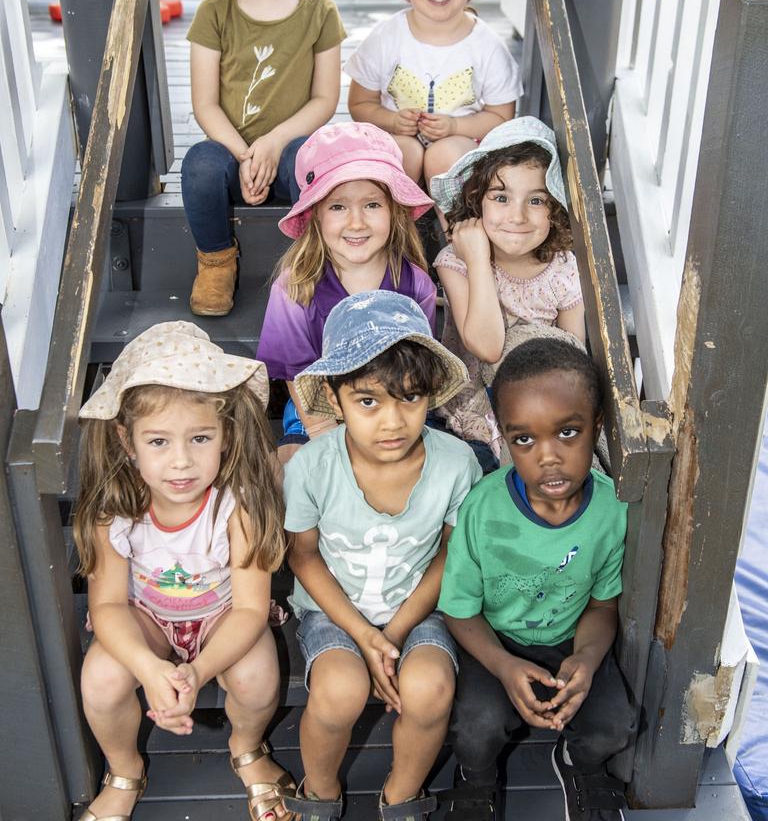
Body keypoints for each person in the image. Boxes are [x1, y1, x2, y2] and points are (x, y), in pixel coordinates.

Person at [74, 321, 293, 821]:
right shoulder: (116, 506)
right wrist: (150, 668)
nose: (181, 463)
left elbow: (251, 608)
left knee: (258, 675)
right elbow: (107, 605)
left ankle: (248, 749)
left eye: (199, 438)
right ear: (126, 441)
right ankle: (124, 770)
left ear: (225, 434)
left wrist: (195, 672)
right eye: (158, 442)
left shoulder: (237, 506)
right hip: (145, 618)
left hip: (224, 616)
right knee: (103, 679)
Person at [281, 291, 482, 821]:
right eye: (369, 401)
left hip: (419, 609)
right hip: (333, 611)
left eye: (410, 398)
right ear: (335, 397)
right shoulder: (311, 467)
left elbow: (449, 556)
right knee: (340, 690)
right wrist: (365, 636)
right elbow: (302, 557)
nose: (392, 421)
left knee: (430, 687)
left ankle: (401, 794)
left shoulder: (457, 464)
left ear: (432, 395)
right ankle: (320, 792)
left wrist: (390, 636)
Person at [438, 337, 635, 821]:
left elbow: (602, 606)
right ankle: (477, 778)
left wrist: (587, 659)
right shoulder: (483, 509)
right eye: (524, 439)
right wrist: (504, 667)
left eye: (568, 433)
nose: (547, 456)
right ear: (505, 439)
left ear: (597, 428)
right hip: (494, 641)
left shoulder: (612, 509)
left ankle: (579, 762)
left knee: (616, 725)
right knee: (474, 727)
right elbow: (459, 611)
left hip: (569, 639)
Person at [182, 0, 346, 316]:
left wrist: (274, 143)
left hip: (290, 155)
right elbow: (206, 105)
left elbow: (325, 98)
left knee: (312, 161)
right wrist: (244, 155)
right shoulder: (215, 11)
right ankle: (217, 261)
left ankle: (313, 262)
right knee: (198, 166)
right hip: (235, 159)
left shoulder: (319, 13)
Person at [256, 122, 436, 464]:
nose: (356, 223)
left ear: (394, 212)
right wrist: (327, 438)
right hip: (316, 417)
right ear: (316, 216)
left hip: (394, 414)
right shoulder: (296, 286)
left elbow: (420, 369)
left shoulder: (416, 285)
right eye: (338, 207)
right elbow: (297, 373)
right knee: (289, 471)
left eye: (372, 205)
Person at [430, 116, 585, 461]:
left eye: (536, 201)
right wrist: (478, 260)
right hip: (478, 413)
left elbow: (575, 358)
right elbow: (487, 347)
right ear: (476, 202)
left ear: (555, 210)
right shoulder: (456, 263)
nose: (517, 216)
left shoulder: (563, 269)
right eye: (501, 197)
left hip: (544, 408)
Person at [346, 0, 522, 191]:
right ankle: (393, 231)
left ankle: (456, 231)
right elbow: (360, 103)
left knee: (445, 153)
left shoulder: (487, 46)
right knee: (403, 151)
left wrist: (455, 127)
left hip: (464, 148)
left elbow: (501, 117)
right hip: (398, 140)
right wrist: (391, 120)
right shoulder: (386, 38)